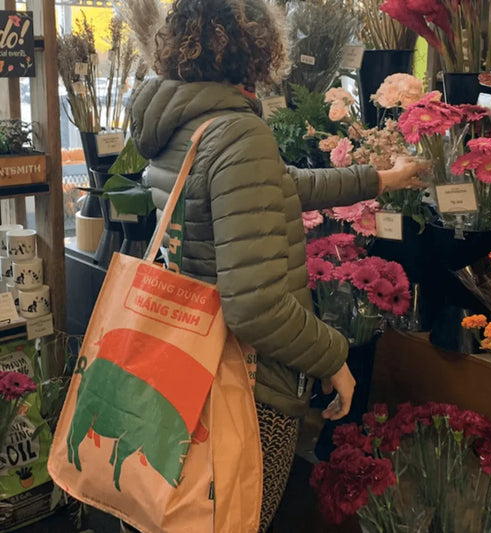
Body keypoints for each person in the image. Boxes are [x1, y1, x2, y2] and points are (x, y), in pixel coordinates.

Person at [130, 0, 426, 530]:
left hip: (185, 361)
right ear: (255, 46)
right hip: (244, 383)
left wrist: (380, 178)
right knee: (237, 517)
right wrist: (334, 359)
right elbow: (258, 305)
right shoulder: (236, 136)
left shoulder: (182, 126)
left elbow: (280, 184)